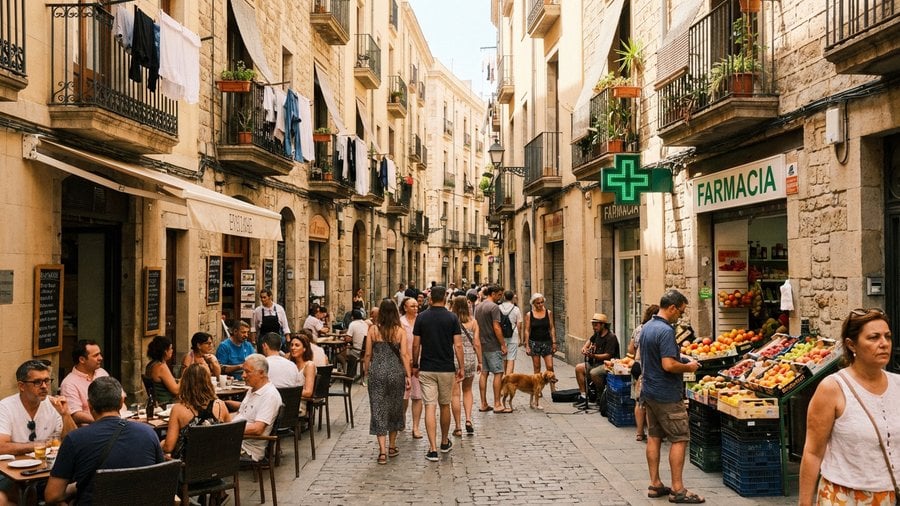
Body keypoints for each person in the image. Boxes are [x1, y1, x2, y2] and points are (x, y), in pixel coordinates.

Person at [799, 308, 900, 506]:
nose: (884, 344)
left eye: (887, 336)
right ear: (851, 344)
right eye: (874, 337)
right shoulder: (833, 388)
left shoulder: (898, 386)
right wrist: (804, 503)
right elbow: (813, 451)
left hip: (889, 495)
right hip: (843, 497)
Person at [44, 377, 163, 505]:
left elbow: (52, 495)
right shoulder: (148, 433)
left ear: (90, 405)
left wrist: (74, 487)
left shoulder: (75, 439)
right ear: (121, 402)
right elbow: (160, 480)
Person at [639, 289, 703, 503]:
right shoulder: (665, 331)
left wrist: (679, 357)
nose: (680, 316)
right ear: (672, 307)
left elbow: (657, 357)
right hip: (666, 394)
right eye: (681, 312)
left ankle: (655, 484)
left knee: (654, 436)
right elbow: (667, 365)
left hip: (649, 391)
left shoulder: (647, 327)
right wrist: (690, 367)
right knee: (680, 438)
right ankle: (678, 489)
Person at [0, 361, 77, 503]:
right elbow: (2, 447)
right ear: (21, 386)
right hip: (11, 472)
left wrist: (65, 415)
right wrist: (39, 445)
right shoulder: (5, 407)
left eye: (46, 381)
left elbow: (73, 442)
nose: (44, 386)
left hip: (47, 471)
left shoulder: (54, 405)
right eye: (37, 382)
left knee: (59, 496)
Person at [412, 286, 465, 462]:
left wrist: (415, 364)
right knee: (444, 405)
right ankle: (443, 442)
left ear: (430, 298)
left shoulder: (421, 317)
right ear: (444, 297)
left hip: (427, 367)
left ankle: (432, 449)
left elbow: (415, 345)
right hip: (446, 368)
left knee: (429, 406)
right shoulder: (452, 318)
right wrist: (461, 367)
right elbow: (458, 345)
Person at [362, 299, 411, 465]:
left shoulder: (373, 330)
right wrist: (408, 375)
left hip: (377, 372)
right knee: (395, 407)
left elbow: (368, 354)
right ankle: (392, 446)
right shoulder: (400, 331)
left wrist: (366, 370)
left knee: (378, 408)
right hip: (396, 372)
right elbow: (405, 355)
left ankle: (382, 451)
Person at [162, 364, 231, 459]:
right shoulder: (221, 405)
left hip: (189, 466)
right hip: (217, 462)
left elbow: (168, 447)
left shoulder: (178, 409)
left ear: (185, 383)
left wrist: (161, 444)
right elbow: (230, 436)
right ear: (208, 382)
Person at [227, 354, 283, 461]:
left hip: (246, 450)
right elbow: (241, 413)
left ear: (261, 373)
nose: (243, 375)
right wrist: (222, 420)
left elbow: (257, 429)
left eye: (247, 372)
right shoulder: (253, 389)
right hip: (235, 440)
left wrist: (227, 430)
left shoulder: (269, 395)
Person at [449, 295, 482, 437]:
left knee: (455, 394)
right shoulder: (473, 322)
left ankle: (457, 426)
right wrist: (480, 361)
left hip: (453, 357)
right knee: (467, 390)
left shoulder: (450, 321)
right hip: (469, 358)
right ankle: (468, 419)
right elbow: (477, 343)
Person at [627, 305, 660, 442]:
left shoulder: (639, 329)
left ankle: (640, 433)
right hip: (648, 367)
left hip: (636, 365)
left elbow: (630, 348)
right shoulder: (656, 329)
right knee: (648, 402)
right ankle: (652, 433)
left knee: (639, 401)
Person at [474, 285, 508, 413]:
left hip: (482, 344)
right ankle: (497, 404)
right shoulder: (494, 307)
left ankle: (483, 403)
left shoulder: (478, 306)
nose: (500, 297)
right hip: (493, 344)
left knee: (484, 373)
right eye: (499, 294)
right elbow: (497, 327)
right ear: (493, 294)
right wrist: (503, 344)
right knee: (498, 373)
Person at [60, 339, 110, 425]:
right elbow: (75, 414)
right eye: (96, 355)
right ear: (82, 359)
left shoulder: (102, 372)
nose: (100, 358)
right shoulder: (69, 383)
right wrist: (104, 421)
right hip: (92, 429)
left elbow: (120, 396)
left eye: (100, 354)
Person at [574, 313, 619, 407]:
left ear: (603, 325)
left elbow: (608, 355)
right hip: (595, 362)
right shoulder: (597, 334)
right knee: (579, 368)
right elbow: (589, 341)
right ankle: (583, 395)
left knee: (594, 373)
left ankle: (601, 395)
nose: (594, 327)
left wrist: (593, 356)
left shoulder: (611, 337)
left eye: (596, 325)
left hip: (608, 364)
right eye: (593, 325)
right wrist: (584, 348)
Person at [399, 297, 424, 439]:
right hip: (403, 362)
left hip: (419, 362)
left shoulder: (421, 320)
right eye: (412, 306)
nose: (416, 308)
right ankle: (402, 416)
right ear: (405, 307)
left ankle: (416, 427)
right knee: (404, 395)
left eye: (416, 306)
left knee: (417, 395)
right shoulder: (400, 322)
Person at [523, 292, 557, 376]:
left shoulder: (548, 313)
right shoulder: (529, 315)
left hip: (547, 342)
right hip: (534, 343)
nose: (540, 304)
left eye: (542, 302)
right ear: (533, 303)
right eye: (538, 303)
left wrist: (554, 342)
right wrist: (527, 345)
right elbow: (527, 330)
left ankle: (553, 388)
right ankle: (537, 388)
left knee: (550, 366)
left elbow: (552, 328)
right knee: (537, 368)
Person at [144, 335, 178, 406]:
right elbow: (176, 390)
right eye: (171, 348)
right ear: (165, 351)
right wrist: (186, 377)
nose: (172, 350)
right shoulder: (161, 367)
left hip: (158, 402)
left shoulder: (151, 365)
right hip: (166, 403)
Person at [498, 290, 522, 375]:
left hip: (501, 335)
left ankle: (504, 377)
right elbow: (519, 324)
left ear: (504, 297)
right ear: (512, 298)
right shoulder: (516, 309)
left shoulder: (498, 307)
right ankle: (509, 379)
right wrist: (520, 337)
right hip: (513, 335)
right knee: (511, 358)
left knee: (504, 358)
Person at [288, 334, 317, 403]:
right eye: (291, 345)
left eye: (297, 345)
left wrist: (287, 392)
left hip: (300, 403)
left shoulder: (309, 365)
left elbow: (308, 392)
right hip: (289, 400)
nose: (293, 348)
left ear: (304, 348)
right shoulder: (290, 364)